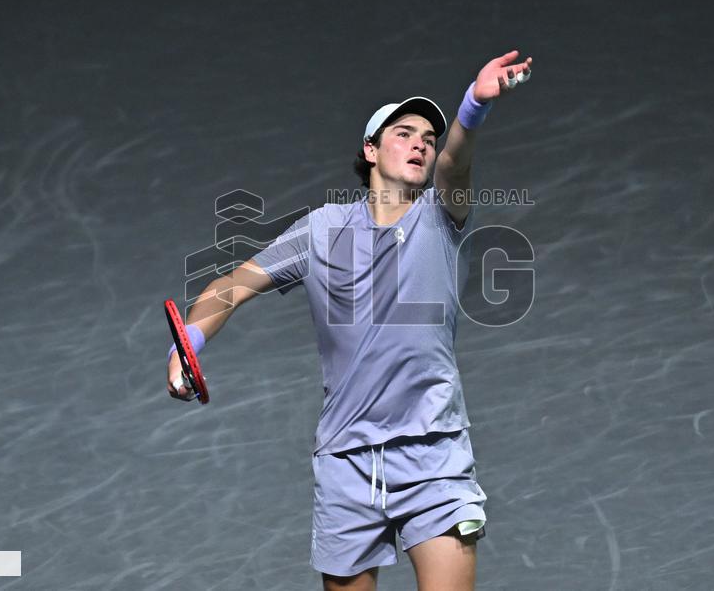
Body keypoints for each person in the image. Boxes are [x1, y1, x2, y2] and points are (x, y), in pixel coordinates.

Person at [167, 50, 532, 590]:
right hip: (345, 461)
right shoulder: (321, 231)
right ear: (371, 149)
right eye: (404, 133)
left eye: (428, 139)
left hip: (433, 456)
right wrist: (188, 342)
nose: (421, 145)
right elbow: (230, 286)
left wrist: (474, 104)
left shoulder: (442, 214)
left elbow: (457, 162)